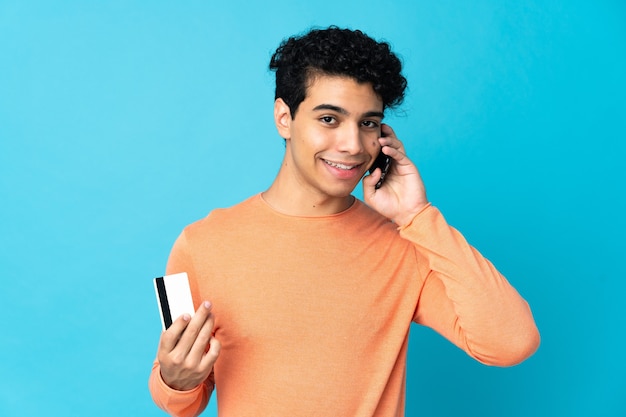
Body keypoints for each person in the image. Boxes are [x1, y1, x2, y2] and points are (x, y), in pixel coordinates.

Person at [148, 26, 540, 417]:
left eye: (368, 123)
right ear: (284, 117)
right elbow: (179, 399)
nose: (353, 145)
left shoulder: (407, 243)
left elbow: (511, 343)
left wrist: (417, 216)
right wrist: (174, 379)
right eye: (330, 119)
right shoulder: (200, 245)